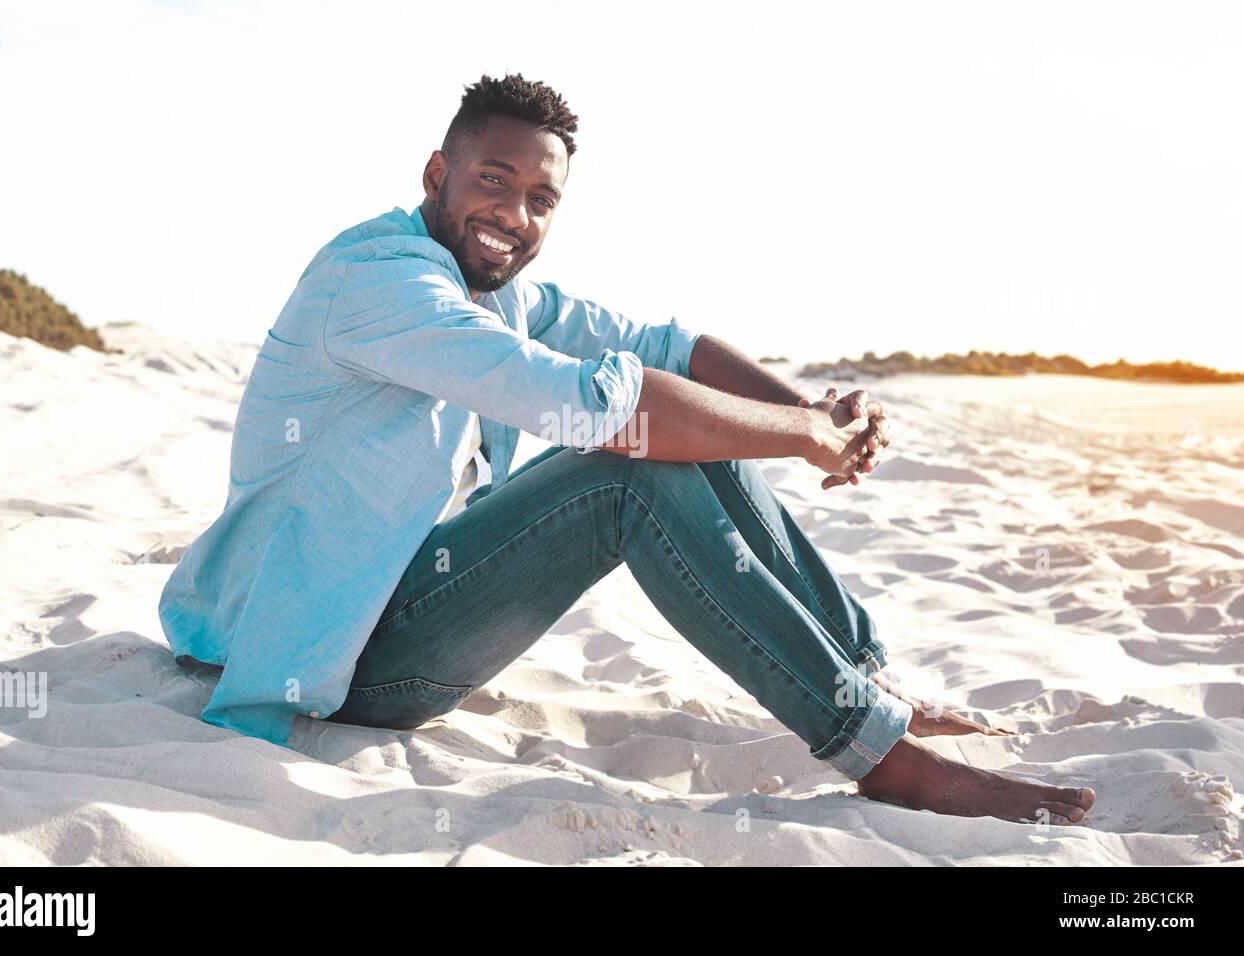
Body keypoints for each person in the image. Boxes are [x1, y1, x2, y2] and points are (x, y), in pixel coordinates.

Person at [159, 73, 1095, 826]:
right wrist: (804, 437)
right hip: (328, 657)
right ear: (436, 171)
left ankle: (862, 676)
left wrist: (810, 412)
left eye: (540, 199)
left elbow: (666, 350)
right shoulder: (382, 283)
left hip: (396, 597)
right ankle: (880, 755)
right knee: (631, 468)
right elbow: (602, 409)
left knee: (703, 426)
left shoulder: (502, 291)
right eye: (493, 180)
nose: (514, 216)